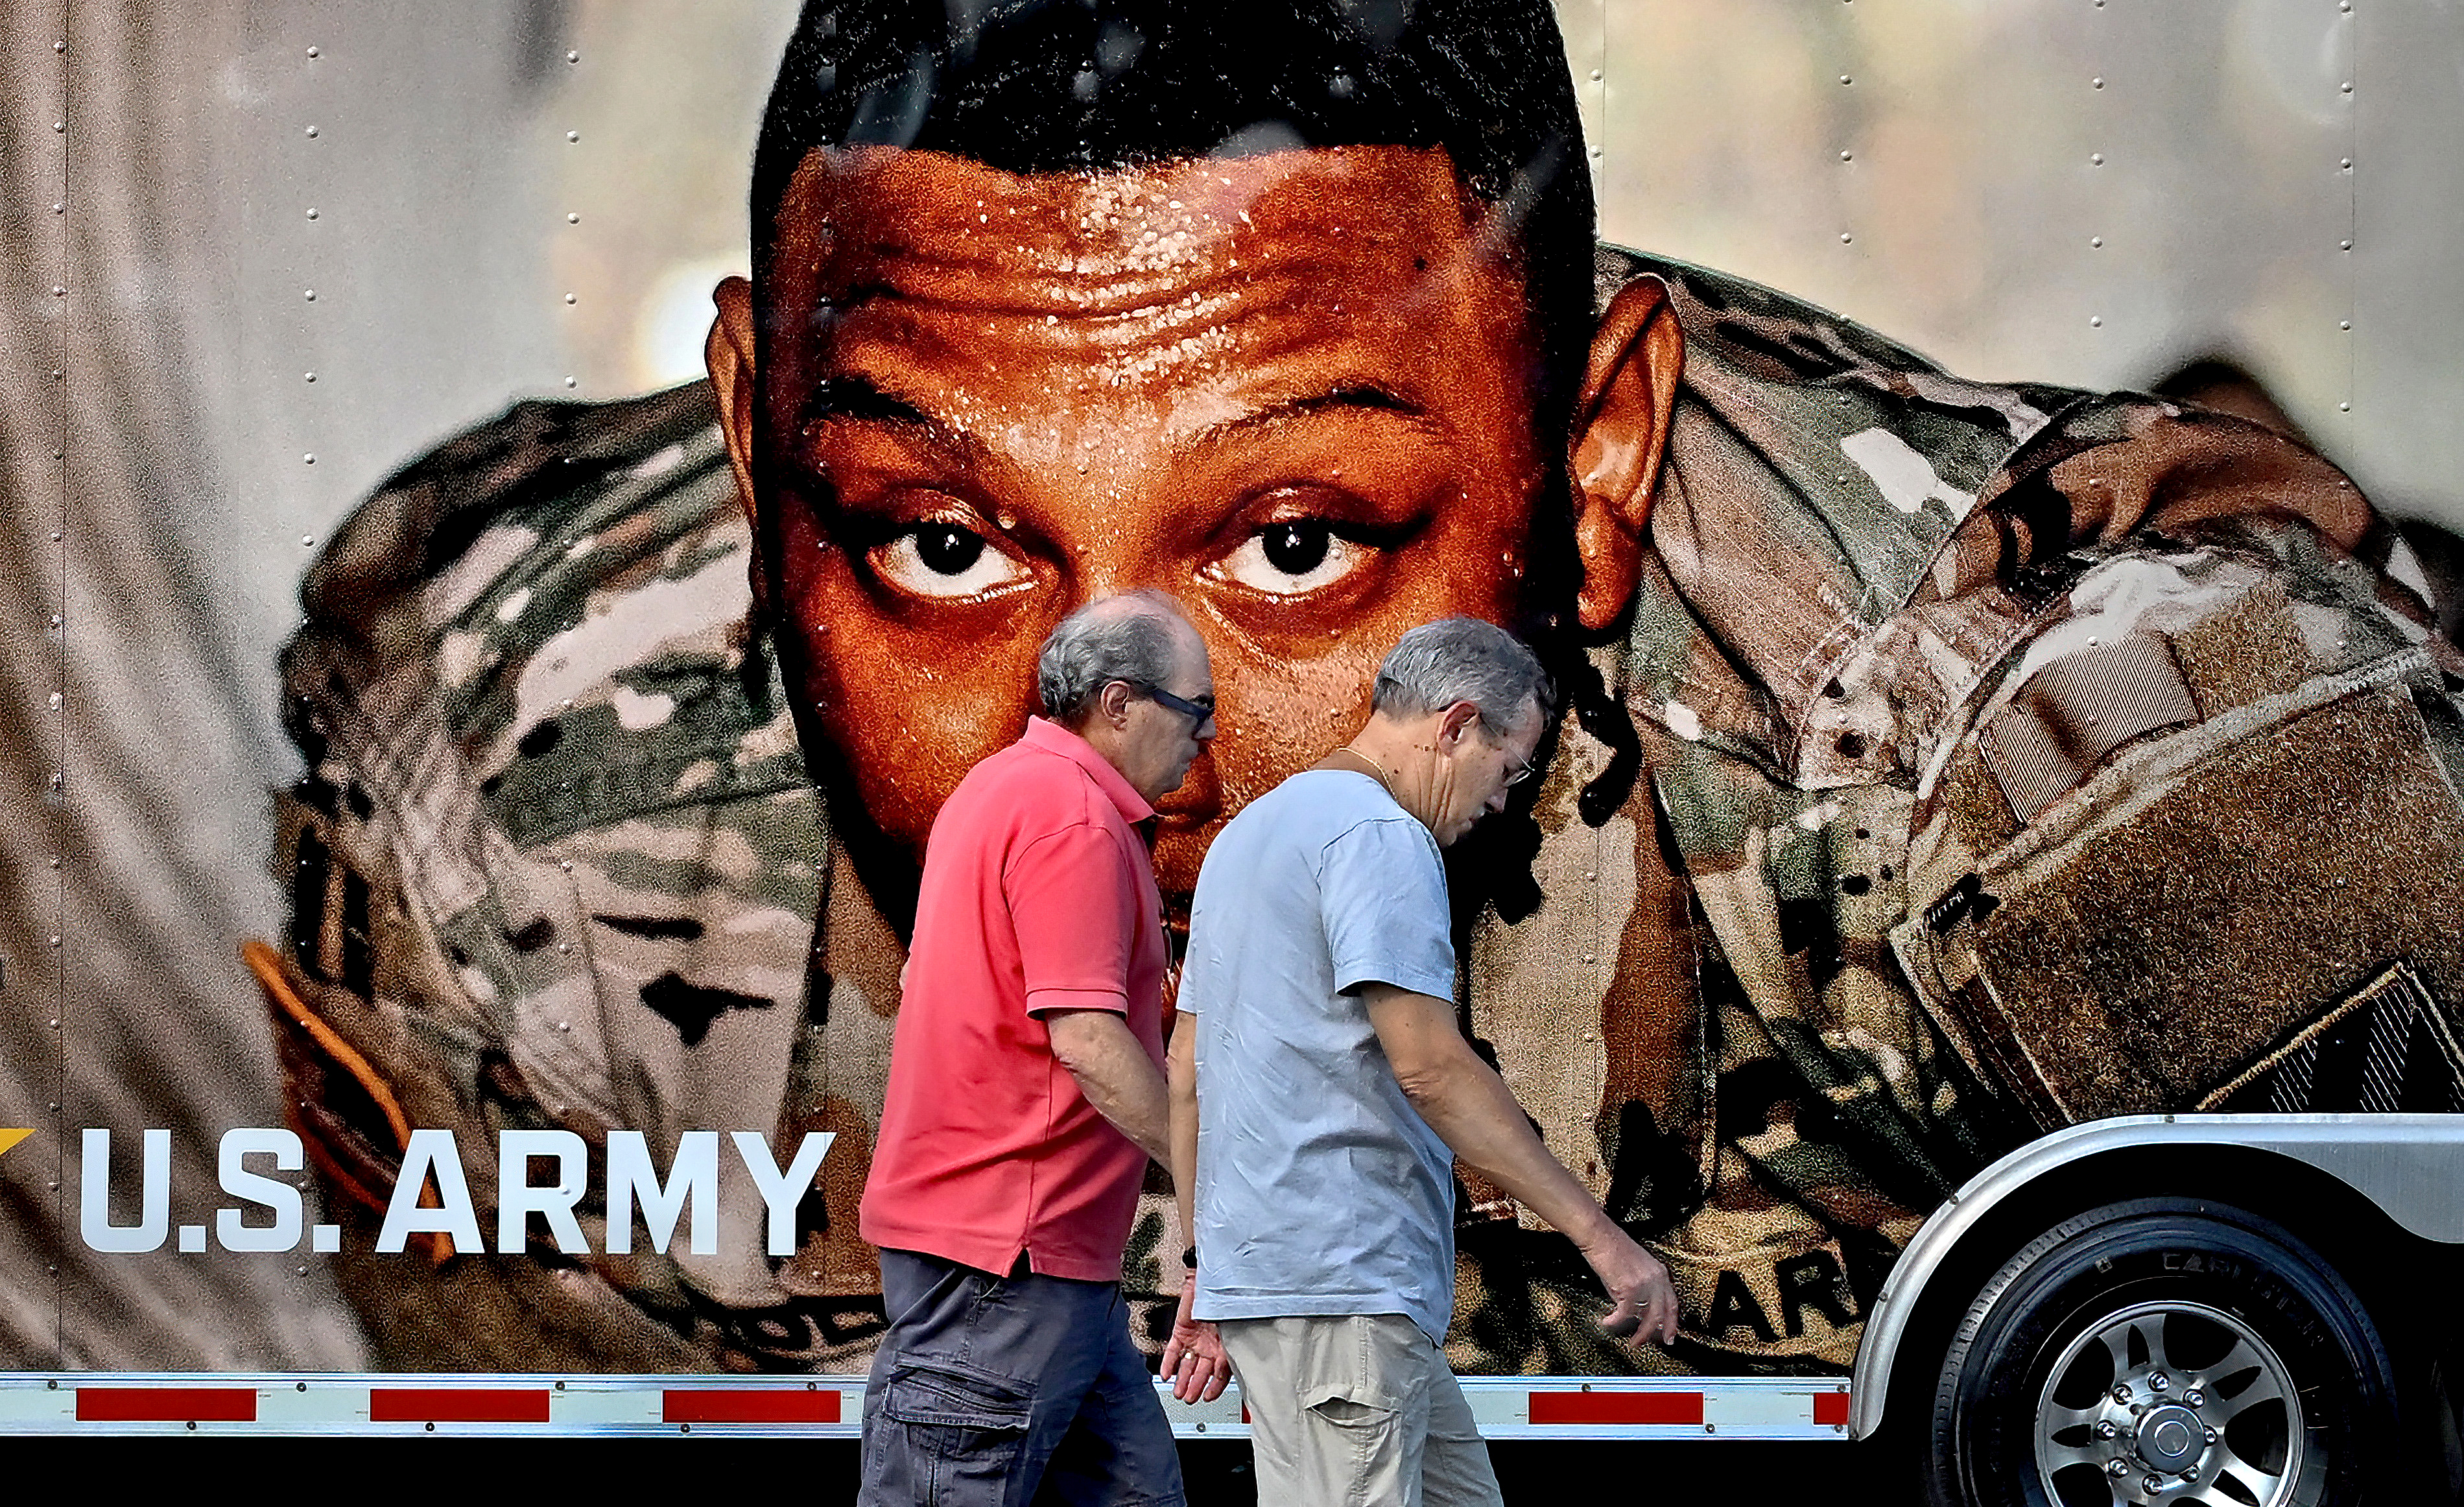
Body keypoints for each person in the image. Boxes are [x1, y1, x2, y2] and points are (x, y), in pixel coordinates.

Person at [251, 0, 2464, 1375]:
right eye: (947, 547)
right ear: (754, 454)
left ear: (1593, 469)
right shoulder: (515, 791)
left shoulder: (2075, 779)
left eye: (1293, 548)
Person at [1166, 617, 1679, 1504]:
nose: (1504, 801)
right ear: (1454, 726)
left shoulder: (1250, 837)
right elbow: (1431, 1070)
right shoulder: (1380, 837)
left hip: (1313, 1293)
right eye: (1511, 769)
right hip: (1345, 1294)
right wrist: (1603, 1238)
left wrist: (1216, 1264)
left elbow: (1186, 1073)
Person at [855, 590, 1225, 1505]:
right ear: (1119, 703)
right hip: (1007, 1263)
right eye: (1197, 712)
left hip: (1033, 1260)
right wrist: (1220, 1180)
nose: (1205, 741)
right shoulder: (1073, 819)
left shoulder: (1000, 789)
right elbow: (1091, 1043)